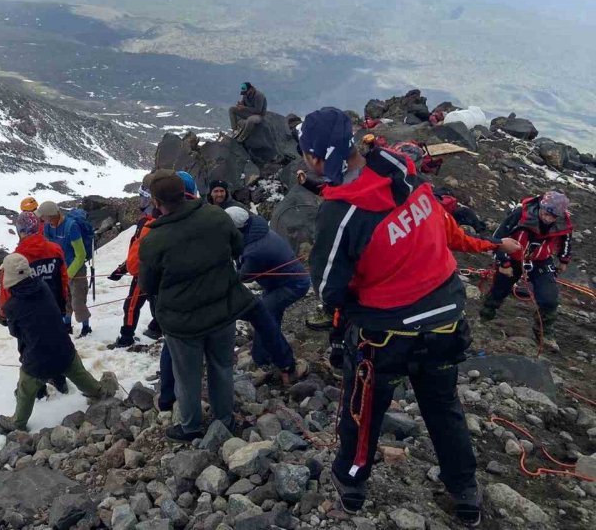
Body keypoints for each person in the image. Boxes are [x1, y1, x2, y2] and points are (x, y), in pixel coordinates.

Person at [302, 107, 482, 526]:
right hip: (446, 317)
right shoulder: (404, 175)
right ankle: (465, 491)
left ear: (313, 157)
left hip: (385, 333)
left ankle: (352, 482)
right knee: (442, 406)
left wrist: (350, 303)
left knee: (363, 409)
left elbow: (328, 286)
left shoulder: (341, 212)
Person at [138, 171, 256, 442]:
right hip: (222, 309)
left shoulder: (154, 240)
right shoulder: (216, 216)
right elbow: (238, 247)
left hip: (183, 321)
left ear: (157, 202)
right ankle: (224, 420)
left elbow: (147, 285)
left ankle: (190, 426)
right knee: (222, 366)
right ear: (185, 191)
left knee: (188, 376)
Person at [0, 253, 114, 433]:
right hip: (64, 348)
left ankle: (17, 423)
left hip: (37, 359)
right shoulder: (43, 286)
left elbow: (15, 332)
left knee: (26, 388)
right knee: (78, 373)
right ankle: (98, 392)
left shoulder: (11, 306)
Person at [480, 191, 573, 353]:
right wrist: (503, 262)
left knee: (550, 298)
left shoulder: (563, 221)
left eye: (553, 217)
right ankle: (484, 318)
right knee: (499, 290)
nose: (548, 219)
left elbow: (566, 240)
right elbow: (497, 238)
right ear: (541, 207)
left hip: (540, 261)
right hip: (513, 259)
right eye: (545, 214)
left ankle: (544, 333)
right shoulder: (519, 214)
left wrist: (564, 260)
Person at [226, 205, 310, 344]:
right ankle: (273, 351)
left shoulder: (255, 250)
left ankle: (263, 357)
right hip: (279, 283)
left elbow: (244, 276)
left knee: (262, 316)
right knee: (272, 314)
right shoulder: (257, 231)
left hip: (293, 285)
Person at [107, 176, 161, 348]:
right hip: (146, 271)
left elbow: (139, 254)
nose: (141, 200)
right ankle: (157, 328)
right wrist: (122, 269)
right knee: (154, 302)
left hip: (143, 273)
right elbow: (135, 251)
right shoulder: (146, 221)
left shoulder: (150, 224)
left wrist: (128, 268)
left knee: (131, 305)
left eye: (144, 196)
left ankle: (126, 338)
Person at [0, 211, 70, 324]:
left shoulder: (14, 259)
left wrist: (3, 315)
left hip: (27, 318)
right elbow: (63, 279)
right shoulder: (55, 250)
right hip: (55, 310)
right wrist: (63, 302)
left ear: (20, 230)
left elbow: (7, 290)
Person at [37, 201, 92, 337]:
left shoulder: (71, 227)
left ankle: (86, 328)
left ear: (50, 216)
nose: (42, 220)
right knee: (64, 299)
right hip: (60, 268)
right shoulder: (48, 227)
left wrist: (68, 275)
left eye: (43, 217)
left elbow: (81, 255)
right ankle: (67, 325)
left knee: (78, 301)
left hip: (76, 269)